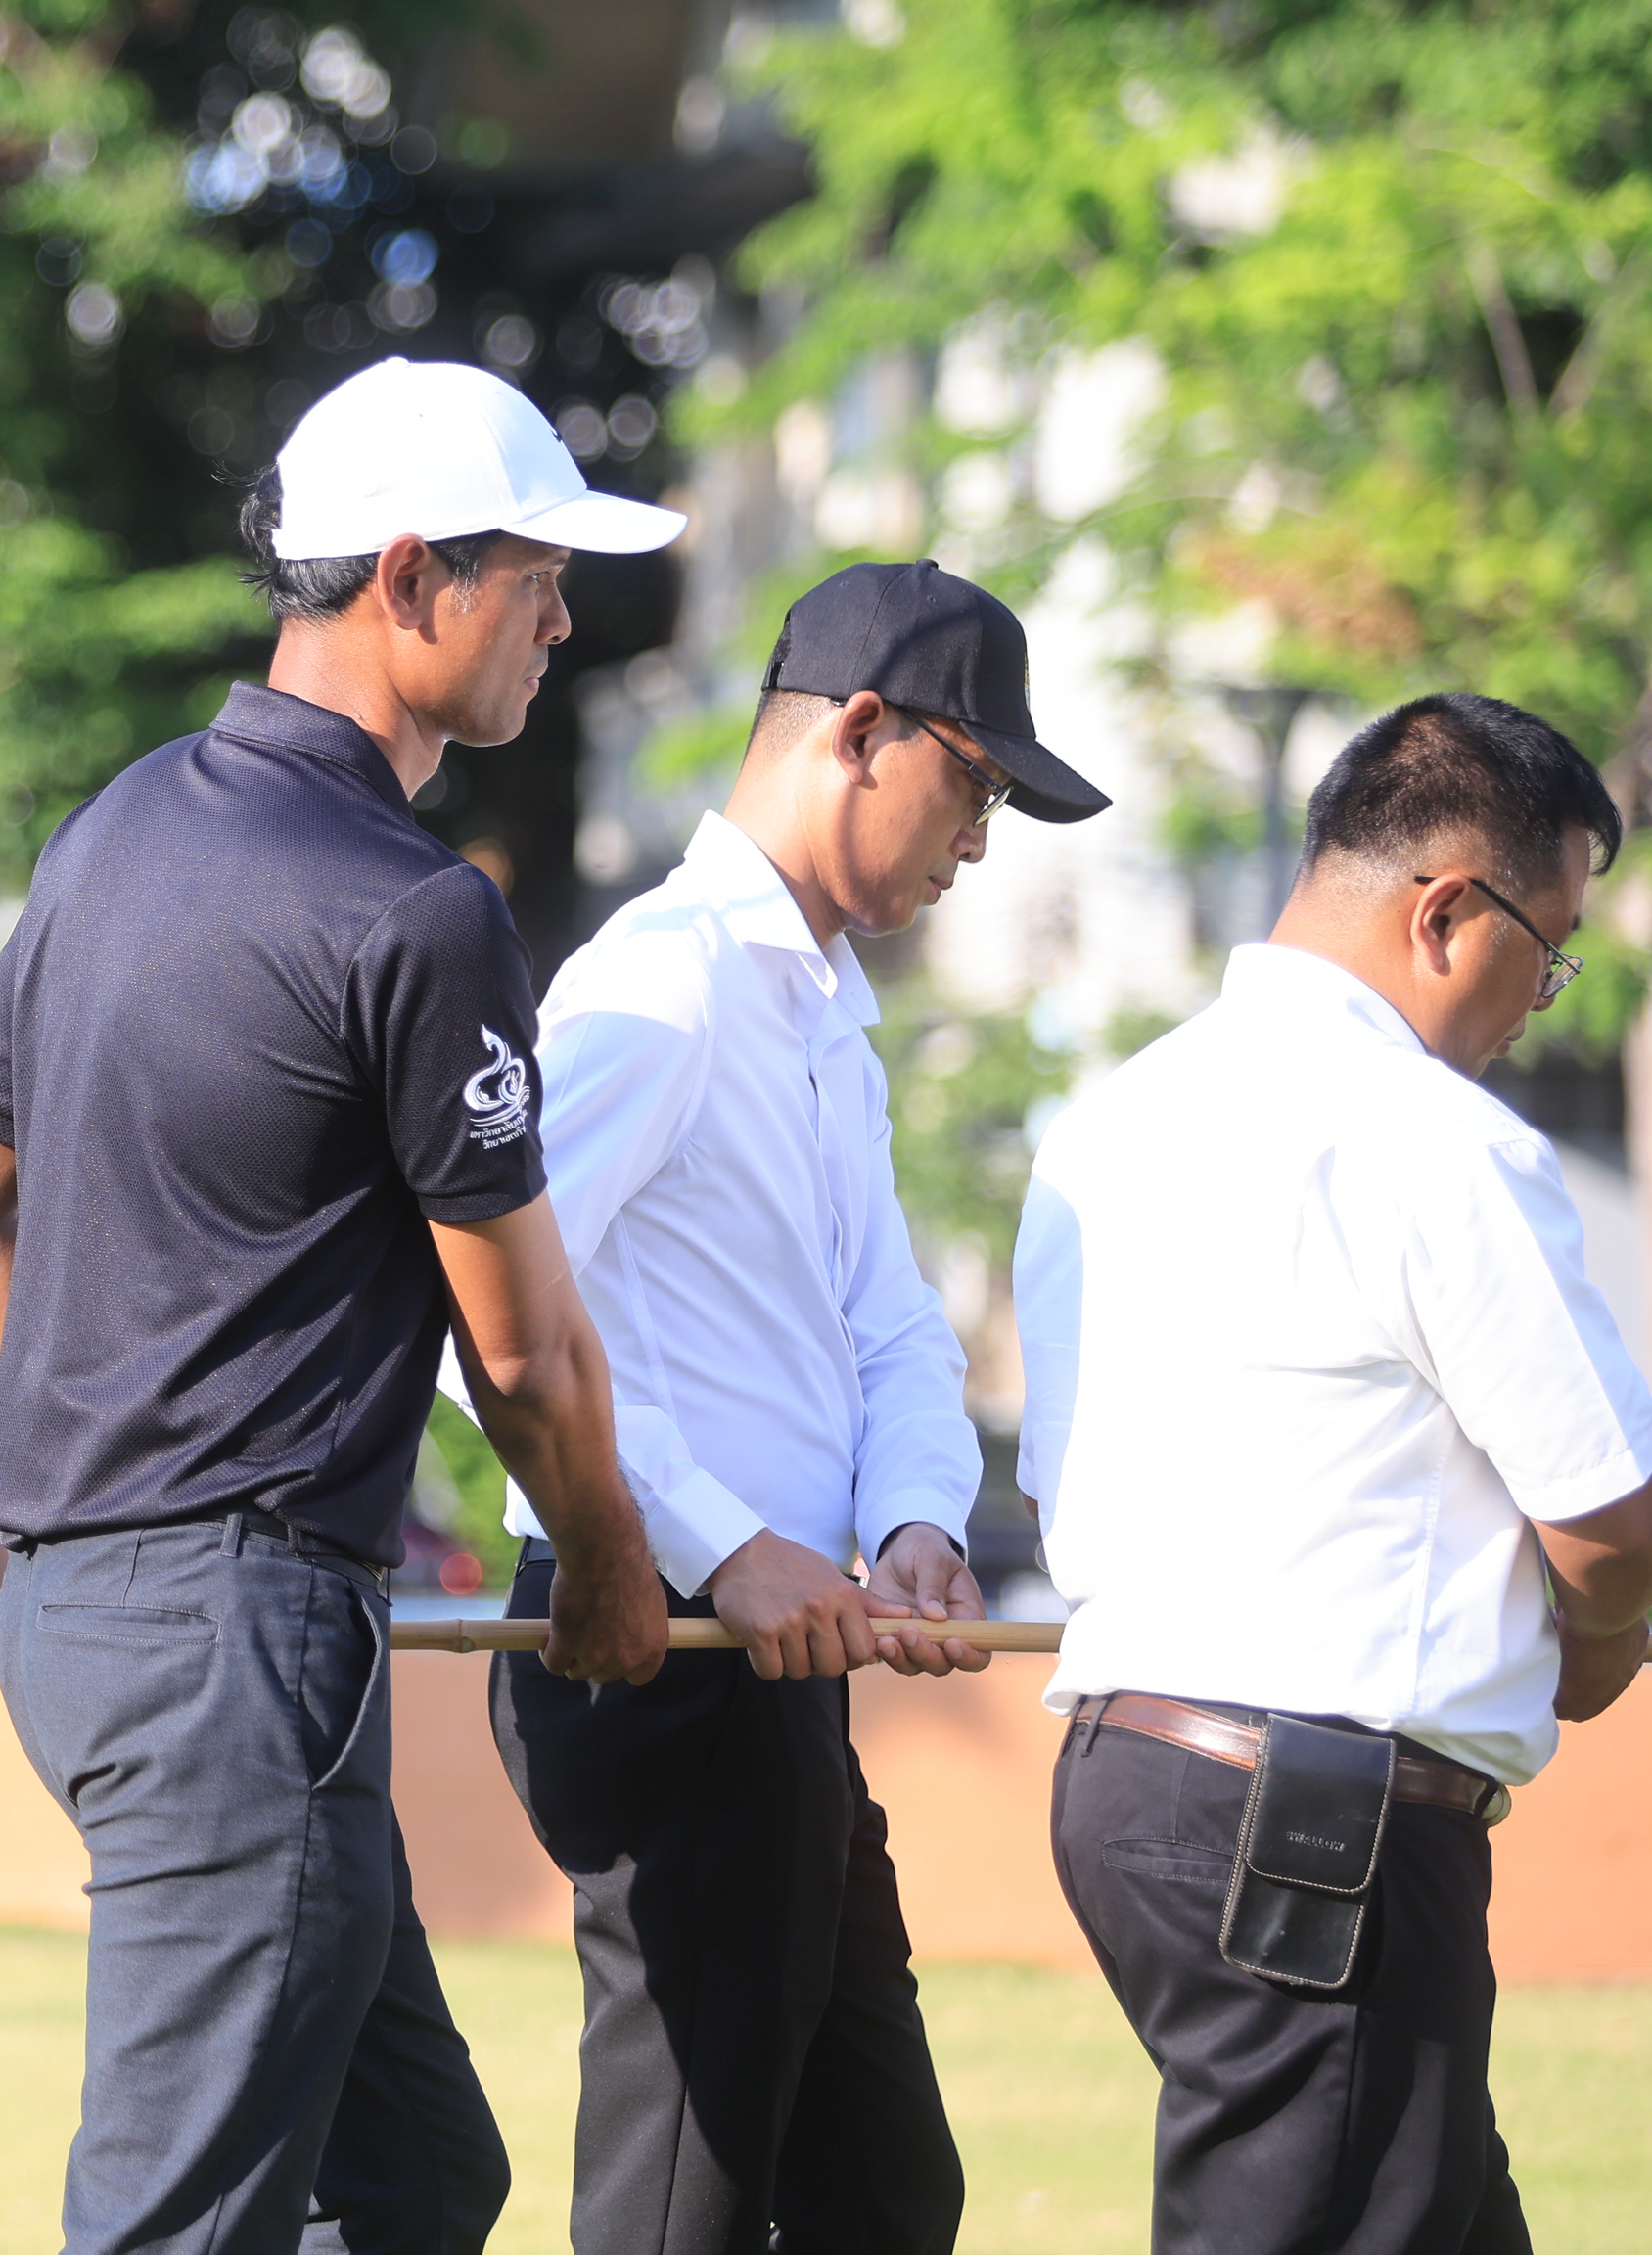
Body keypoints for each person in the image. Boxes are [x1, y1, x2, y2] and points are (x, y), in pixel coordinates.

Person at [0, 356, 675, 2255]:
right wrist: (603, 1569)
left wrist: (118, 1430)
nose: (565, 617)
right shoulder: (418, 909)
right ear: (412, 578)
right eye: (535, 574)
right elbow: (526, 1347)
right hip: (227, 1638)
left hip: (92, 1611)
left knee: (410, 2177)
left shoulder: (118, 826)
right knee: (185, 2224)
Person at [482, 558, 1112, 2255]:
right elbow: (499, 1307)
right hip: (655, 1646)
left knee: (883, 2192)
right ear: (856, 730)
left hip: (775, 1661)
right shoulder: (656, 979)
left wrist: (913, 1519)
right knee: (679, 2202)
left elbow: (892, 1324)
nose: (975, 843)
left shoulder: (823, 1007)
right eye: (970, 788)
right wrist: (714, 1543)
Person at [1020, 692, 1652, 2255]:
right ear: (1451, 912)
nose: (1546, 996)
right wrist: (1585, 1657)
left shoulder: (1109, 1122)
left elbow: (1067, 1483)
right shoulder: (1434, 1140)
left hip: (1146, 1778)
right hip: (1317, 1820)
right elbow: (1613, 1519)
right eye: (1553, 942)